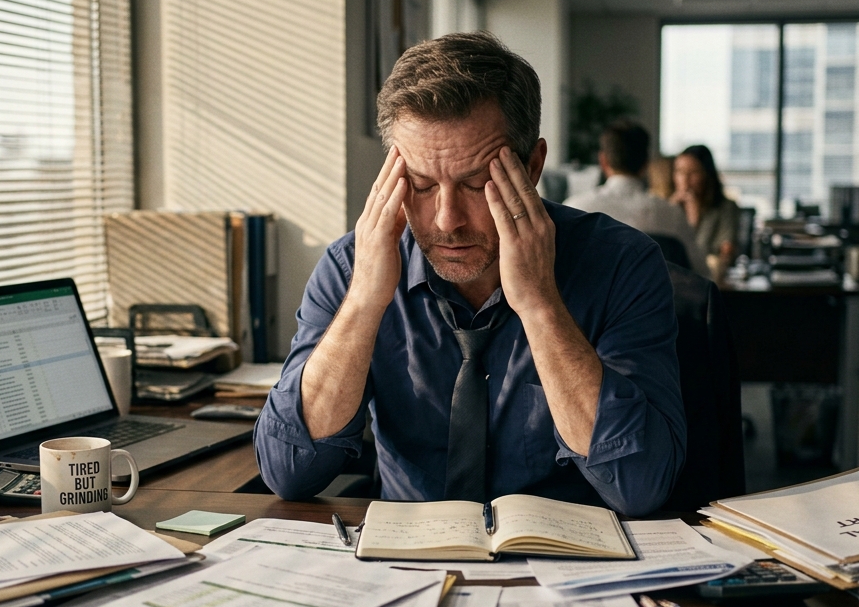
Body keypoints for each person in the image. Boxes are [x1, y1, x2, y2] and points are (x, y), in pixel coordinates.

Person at [255, 32, 686, 516]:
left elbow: (640, 485)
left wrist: (540, 305)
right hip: (407, 552)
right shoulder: (350, 266)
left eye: (476, 184)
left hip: (564, 552)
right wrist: (363, 302)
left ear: (533, 166)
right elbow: (288, 471)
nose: (446, 220)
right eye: (420, 185)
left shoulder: (622, 264)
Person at [563, 122, 710, 277]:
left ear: (603, 161)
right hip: (654, 292)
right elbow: (702, 275)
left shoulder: (573, 210)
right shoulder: (672, 215)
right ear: (646, 164)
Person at [670, 145, 740, 263]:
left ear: (707, 174)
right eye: (680, 171)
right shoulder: (670, 205)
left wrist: (694, 221)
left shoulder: (726, 208)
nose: (685, 179)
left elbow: (720, 258)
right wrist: (670, 209)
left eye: (693, 172)